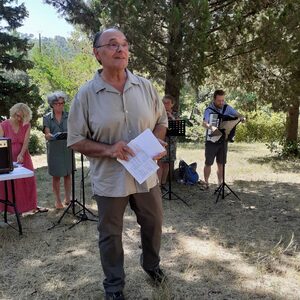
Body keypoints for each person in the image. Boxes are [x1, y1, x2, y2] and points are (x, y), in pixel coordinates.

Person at [67, 28, 168, 300]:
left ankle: (152, 265)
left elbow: (161, 121)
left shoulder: (145, 87)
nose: (120, 49)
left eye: (124, 44)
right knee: (110, 234)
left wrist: (157, 141)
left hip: (146, 175)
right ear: (97, 53)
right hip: (110, 179)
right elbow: (75, 140)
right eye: (112, 45)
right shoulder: (86, 94)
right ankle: (114, 285)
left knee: (154, 222)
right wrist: (109, 149)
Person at [0, 103, 48, 214]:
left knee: (27, 181)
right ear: (13, 112)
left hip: (23, 157)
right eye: (17, 115)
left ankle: (29, 206)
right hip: (7, 157)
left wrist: (21, 154)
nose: (19, 118)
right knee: (10, 183)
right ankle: (10, 208)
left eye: (22, 116)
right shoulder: (4, 125)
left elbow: (26, 142)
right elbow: (1, 142)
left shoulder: (26, 125)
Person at [202, 90, 245, 188]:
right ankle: (206, 182)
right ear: (214, 99)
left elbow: (239, 114)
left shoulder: (227, 107)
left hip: (223, 139)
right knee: (208, 163)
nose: (221, 103)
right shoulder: (209, 110)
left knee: (221, 163)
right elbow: (204, 123)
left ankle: (220, 183)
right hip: (211, 140)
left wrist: (242, 118)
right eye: (219, 101)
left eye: (222, 100)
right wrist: (211, 127)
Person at [43, 91, 72, 209]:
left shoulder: (69, 115)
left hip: (67, 148)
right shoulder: (46, 117)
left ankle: (68, 198)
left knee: (67, 174)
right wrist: (51, 136)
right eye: (57, 103)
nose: (60, 105)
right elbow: (47, 134)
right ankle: (58, 201)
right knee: (56, 176)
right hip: (54, 150)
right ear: (52, 104)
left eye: (62, 103)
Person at [157, 95, 178, 187]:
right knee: (160, 163)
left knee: (168, 163)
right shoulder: (158, 114)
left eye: (167, 103)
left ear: (172, 104)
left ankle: (163, 183)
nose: (165, 105)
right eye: (163, 103)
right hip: (161, 141)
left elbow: (178, 126)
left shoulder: (176, 114)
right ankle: (158, 185)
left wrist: (171, 117)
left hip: (171, 143)